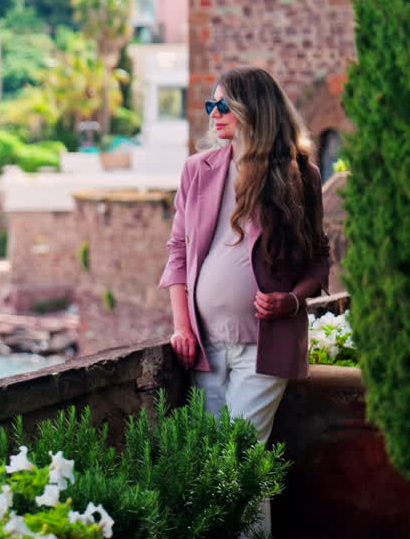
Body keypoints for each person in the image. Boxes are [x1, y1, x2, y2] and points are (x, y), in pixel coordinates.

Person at [159, 67, 329, 534]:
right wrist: (182, 326)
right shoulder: (197, 170)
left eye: (224, 106)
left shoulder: (300, 175)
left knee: (239, 454)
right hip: (205, 346)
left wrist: (291, 301)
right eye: (210, 105)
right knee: (216, 457)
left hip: (266, 345)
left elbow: (319, 259)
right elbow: (177, 251)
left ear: (255, 110)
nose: (214, 114)